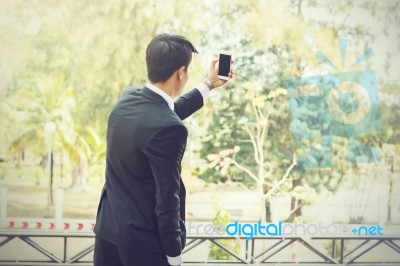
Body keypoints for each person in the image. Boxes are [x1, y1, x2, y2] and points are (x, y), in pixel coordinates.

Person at [93, 33, 233, 266]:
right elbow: (167, 198)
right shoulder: (169, 129)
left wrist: (209, 84)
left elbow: (163, 116)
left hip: (108, 232)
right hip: (144, 247)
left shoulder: (128, 99)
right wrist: (173, 253)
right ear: (181, 73)